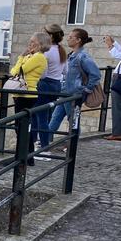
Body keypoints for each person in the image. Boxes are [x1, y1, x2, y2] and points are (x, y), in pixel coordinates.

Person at [44, 28, 101, 152]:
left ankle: (71, 145)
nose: (68, 39)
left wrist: (86, 90)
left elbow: (96, 74)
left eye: (71, 37)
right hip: (65, 92)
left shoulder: (82, 56)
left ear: (78, 40)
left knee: (73, 120)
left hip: (74, 94)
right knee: (56, 118)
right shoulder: (72, 55)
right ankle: (45, 142)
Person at [9, 32, 49, 165]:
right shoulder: (32, 56)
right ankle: (27, 157)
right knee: (22, 127)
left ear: (40, 44)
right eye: (30, 41)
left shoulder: (38, 57)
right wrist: (23, 58)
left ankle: (23, 158)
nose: (29, 44)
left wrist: (21, 57)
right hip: (21, 93)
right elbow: (14, 71)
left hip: (26, 94)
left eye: (33, 42)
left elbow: (17, 71)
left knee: (22, 127)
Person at [35, 24, 67, 152]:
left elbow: (43, 73)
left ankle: (43, 147)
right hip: (56, 85)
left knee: (41, 117)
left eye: (45, 32)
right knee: (47, 116)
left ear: (51, 36)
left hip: (45, 84)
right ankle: (44, 144)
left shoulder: (46, 52)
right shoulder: (61, 50)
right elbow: (66, 71)